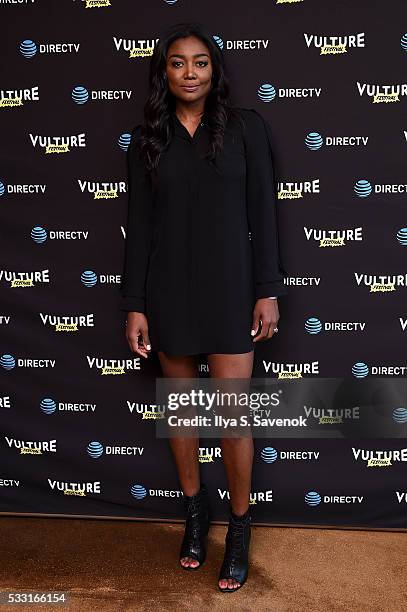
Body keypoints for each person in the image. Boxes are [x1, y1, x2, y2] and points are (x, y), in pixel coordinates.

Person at [119, 21, 287, 593]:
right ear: (162, 73)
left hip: (231, 287)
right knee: (183, 415)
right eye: (177, 63)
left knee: (232, 417)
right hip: (168, 290)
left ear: (215, 71)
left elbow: (264, 215)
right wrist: (135, 304)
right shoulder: (149, 139)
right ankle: (196, 515)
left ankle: (239, 525)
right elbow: (139, 228)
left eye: (200, 63)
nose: (189, 73)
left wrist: (267, 289)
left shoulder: (246, 130)